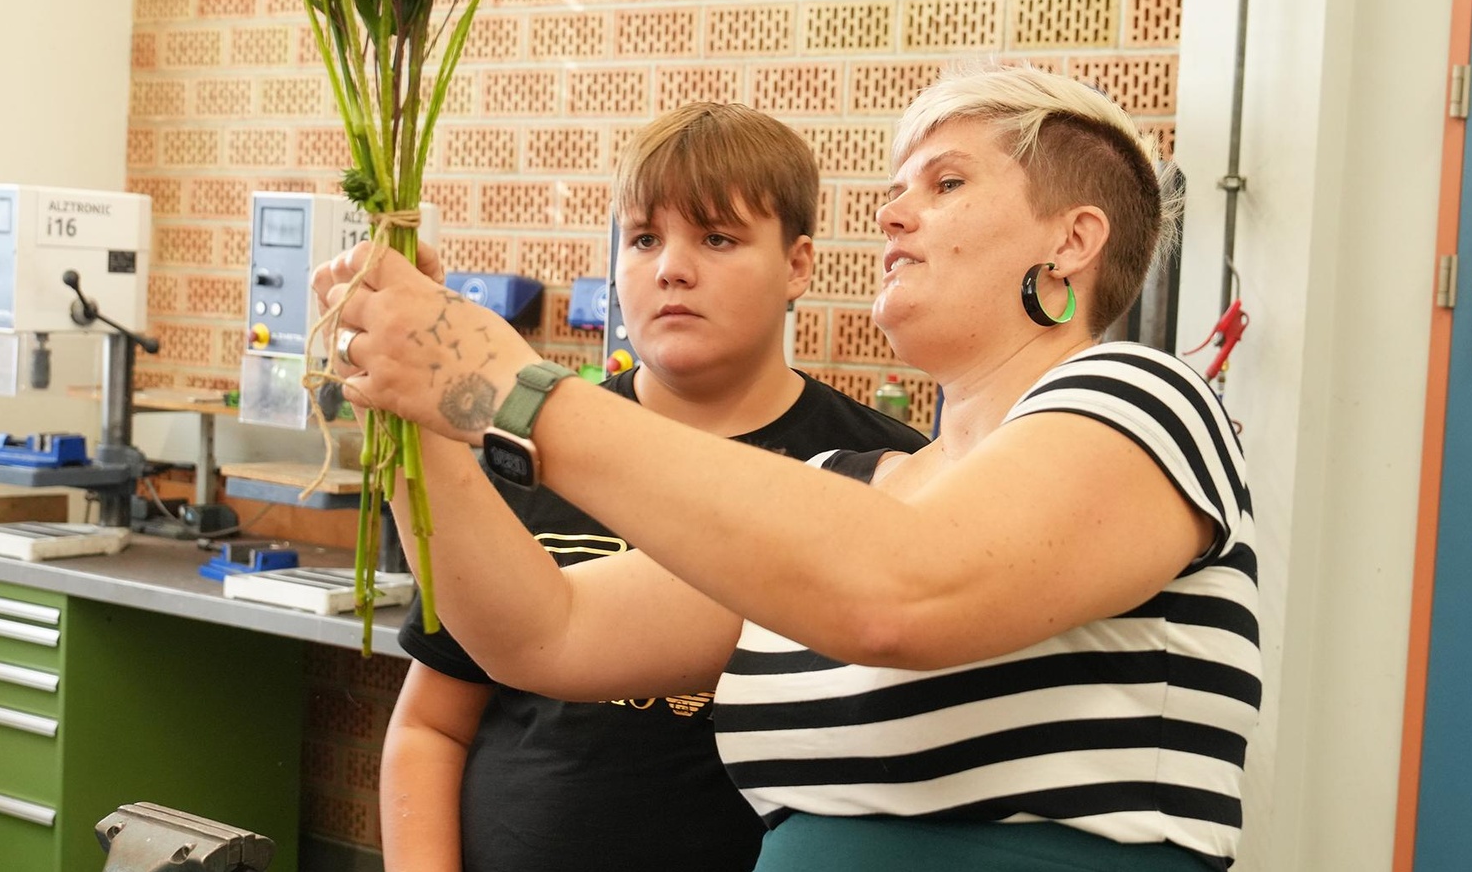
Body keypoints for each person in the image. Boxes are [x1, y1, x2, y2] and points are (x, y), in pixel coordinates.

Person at [321, 64, 1258, 872]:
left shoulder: (1147, 400)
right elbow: (544, 633)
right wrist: (423, 418)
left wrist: (510, 390)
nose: (892, 212)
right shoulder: (851, 482)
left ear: (1074, 239)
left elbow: (905, 588)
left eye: (944, 182)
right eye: (895, 188)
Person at [378, 102, 929, 872]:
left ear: (799, 264)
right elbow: (429, 726)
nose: (671, 266)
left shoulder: (885, 471)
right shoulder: (523, 448)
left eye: (717, 237)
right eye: (643, 238)